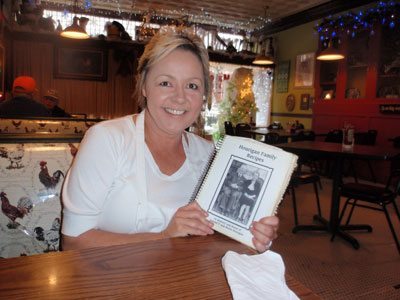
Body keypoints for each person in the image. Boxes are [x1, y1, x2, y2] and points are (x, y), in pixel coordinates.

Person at [61, 28, 279, 253]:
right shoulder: (106, 140)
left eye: (192, 86)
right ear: (144, 85)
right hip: (113, 282)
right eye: (166, 83)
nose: (180, 97)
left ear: (203, 95)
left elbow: (218, 235)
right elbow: (74, 242)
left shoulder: (209, 155)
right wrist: (164, 236)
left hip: (185, 279)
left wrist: (254, 233)